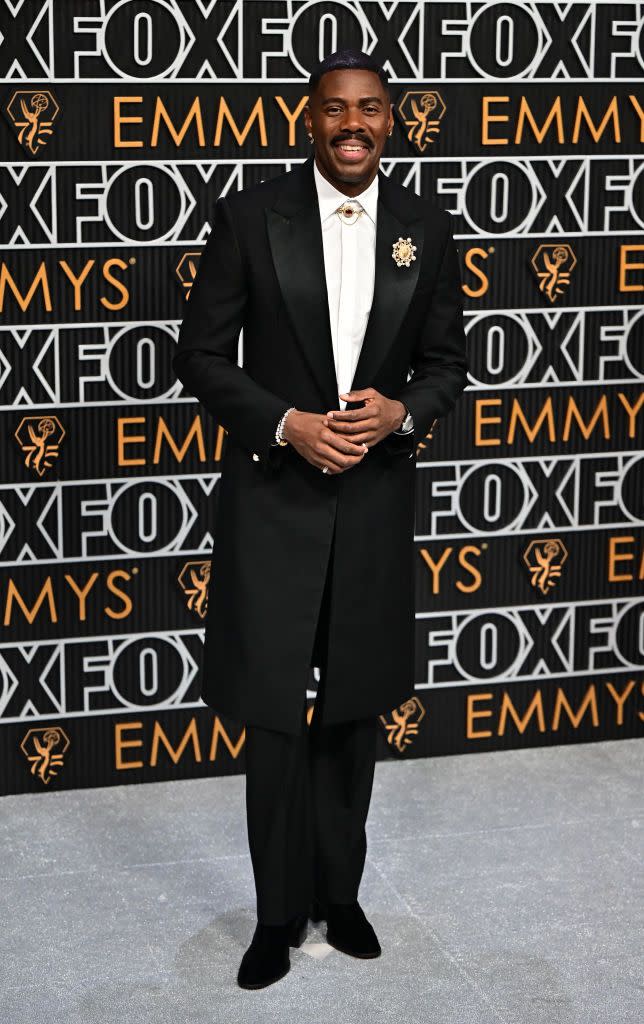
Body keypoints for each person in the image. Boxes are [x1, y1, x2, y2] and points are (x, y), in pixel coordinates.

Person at [172, 48, 468, 990]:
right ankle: (275, 915)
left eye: (371, 109)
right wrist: (288, 424)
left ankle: (341, 897)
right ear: (309, 119)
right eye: (336, 108)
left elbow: (445, 364)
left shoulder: (426, 223)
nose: (354, 124)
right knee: (273, 721)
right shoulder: (251, 217)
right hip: (275, 503)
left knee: (353, 713)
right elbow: (203, 358)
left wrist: (404, 413)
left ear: (393, 120)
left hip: (374, 508)